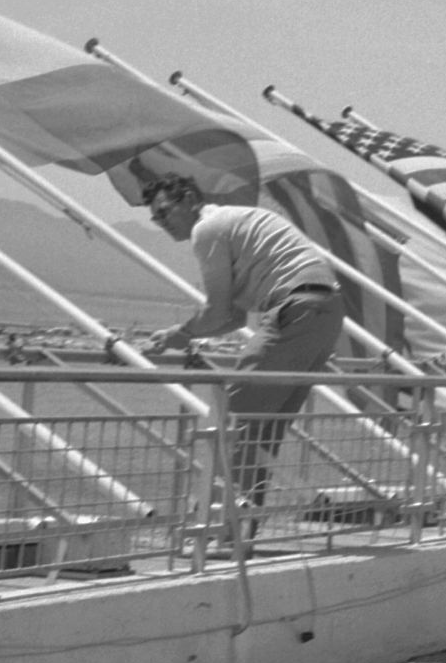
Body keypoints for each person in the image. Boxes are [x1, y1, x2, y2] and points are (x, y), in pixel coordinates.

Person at [141, 174, 346, 527]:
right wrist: (183, 335)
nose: (161, 222)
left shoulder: (208, 229)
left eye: (165, 212)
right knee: (264, 430)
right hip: (325, 311)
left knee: (230, 420)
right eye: (155, 218)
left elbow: (217, 312)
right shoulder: (234, 221)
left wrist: (180, 333)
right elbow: (233, 318)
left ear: (189, 198)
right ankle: (242, 524)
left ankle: (215, 523)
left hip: (293, 307)